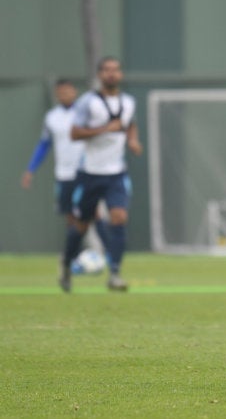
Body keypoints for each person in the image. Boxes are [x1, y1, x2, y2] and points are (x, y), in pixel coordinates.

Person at [59, 56, 142, 293]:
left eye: (115, 70)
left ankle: (114, 273)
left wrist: (133, 140)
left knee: (119, 217)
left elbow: (130, 124)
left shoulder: (128, 102)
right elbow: (74, 134)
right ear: (99, 75)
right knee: (81, 225)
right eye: (106, 70)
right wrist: (106, 129)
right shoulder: (88, 102)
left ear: (121, 74)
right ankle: (66, 265)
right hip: (90, 173)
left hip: (116, 173)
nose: (111, 74)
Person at [21, 79, 111, 258]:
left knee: (94, 212)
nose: (64, 95)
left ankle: (111, 255)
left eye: (68, 91)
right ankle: (74, 257)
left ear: (74, 92)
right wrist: (30, 169)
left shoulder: (85, 113)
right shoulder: (51, 117)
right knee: (70, 217)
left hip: (86, 171)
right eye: (60, 92)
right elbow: (44, 145)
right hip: (63, 174)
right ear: (57, 94)